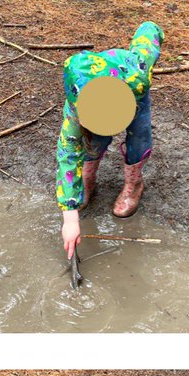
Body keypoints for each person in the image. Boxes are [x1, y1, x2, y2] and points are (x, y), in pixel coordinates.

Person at [57, 22, 164, 260]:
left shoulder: (138, 73)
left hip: (130, 96)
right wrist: (70, 218)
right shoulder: (77, 106)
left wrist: (150, 27)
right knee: (91, 139)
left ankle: (134, 183)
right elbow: (67, 154)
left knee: (139, 137)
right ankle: (88, 178)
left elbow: (148, 38)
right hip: (95, 100)